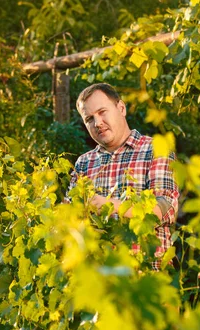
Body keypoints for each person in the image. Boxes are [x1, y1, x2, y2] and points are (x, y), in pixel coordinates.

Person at [68, 83, 179, 268]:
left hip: (148, 279)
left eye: (102, 112)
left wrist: (108, 206)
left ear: (121, 108)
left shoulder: (155, 150)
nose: (97, 123)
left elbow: (163, 210)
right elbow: (70, 219)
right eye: (89, 119)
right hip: (99, 282)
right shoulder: (84, 163)